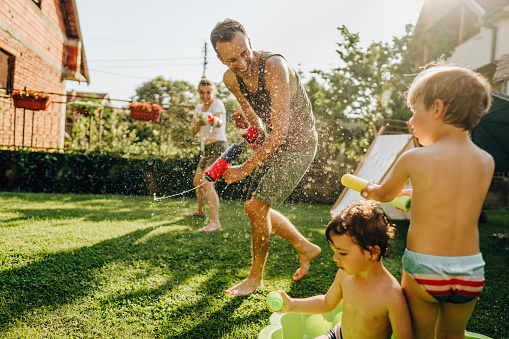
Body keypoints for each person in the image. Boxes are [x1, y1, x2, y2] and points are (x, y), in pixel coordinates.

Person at [361, 63, 494, 339]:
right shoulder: (486, 161)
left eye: (414, 110)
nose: (410, 120)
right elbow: (455, 198)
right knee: (453, 336)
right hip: (470, 270)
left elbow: (385, 195)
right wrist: (415, 194)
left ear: (437, 108)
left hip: (426, 268)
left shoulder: (415, 158)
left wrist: (371, 189)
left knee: (419, 335)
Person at [210, 19, 321, 295]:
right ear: (220, 58)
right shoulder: (230, 79)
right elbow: (256, 123)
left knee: (257, 207)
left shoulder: (274, 67)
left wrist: (244, 169)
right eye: (232, 59)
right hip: (277, 144)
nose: (242, 63)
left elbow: (281, 130)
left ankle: (255, 278)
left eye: (245, 53)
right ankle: (305, 247)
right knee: (256, 208)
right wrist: (250, 131)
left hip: (300, 145)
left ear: (249, 39)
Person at [268, 200, 412, 339]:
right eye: (335, 251)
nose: (335, 258)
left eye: (342, 253)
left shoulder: (391, 295)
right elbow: (327, 302)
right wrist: (293, 305)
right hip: (338, 335)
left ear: (372, 252)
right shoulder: (345, 274)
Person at [187, 76, 227, 232]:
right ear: (199, 93)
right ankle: (201, 211)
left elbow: (220, 121)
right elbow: (192, 131)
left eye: (208, 92)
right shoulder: (198, 108)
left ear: (213, 92)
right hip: (206, 149)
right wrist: (198, 121)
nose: (205, 96)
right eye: (202, 93)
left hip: (219, 146)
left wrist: (212, 119)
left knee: (206, 181)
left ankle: (215, 222)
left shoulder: (217, 103)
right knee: (197, 180)